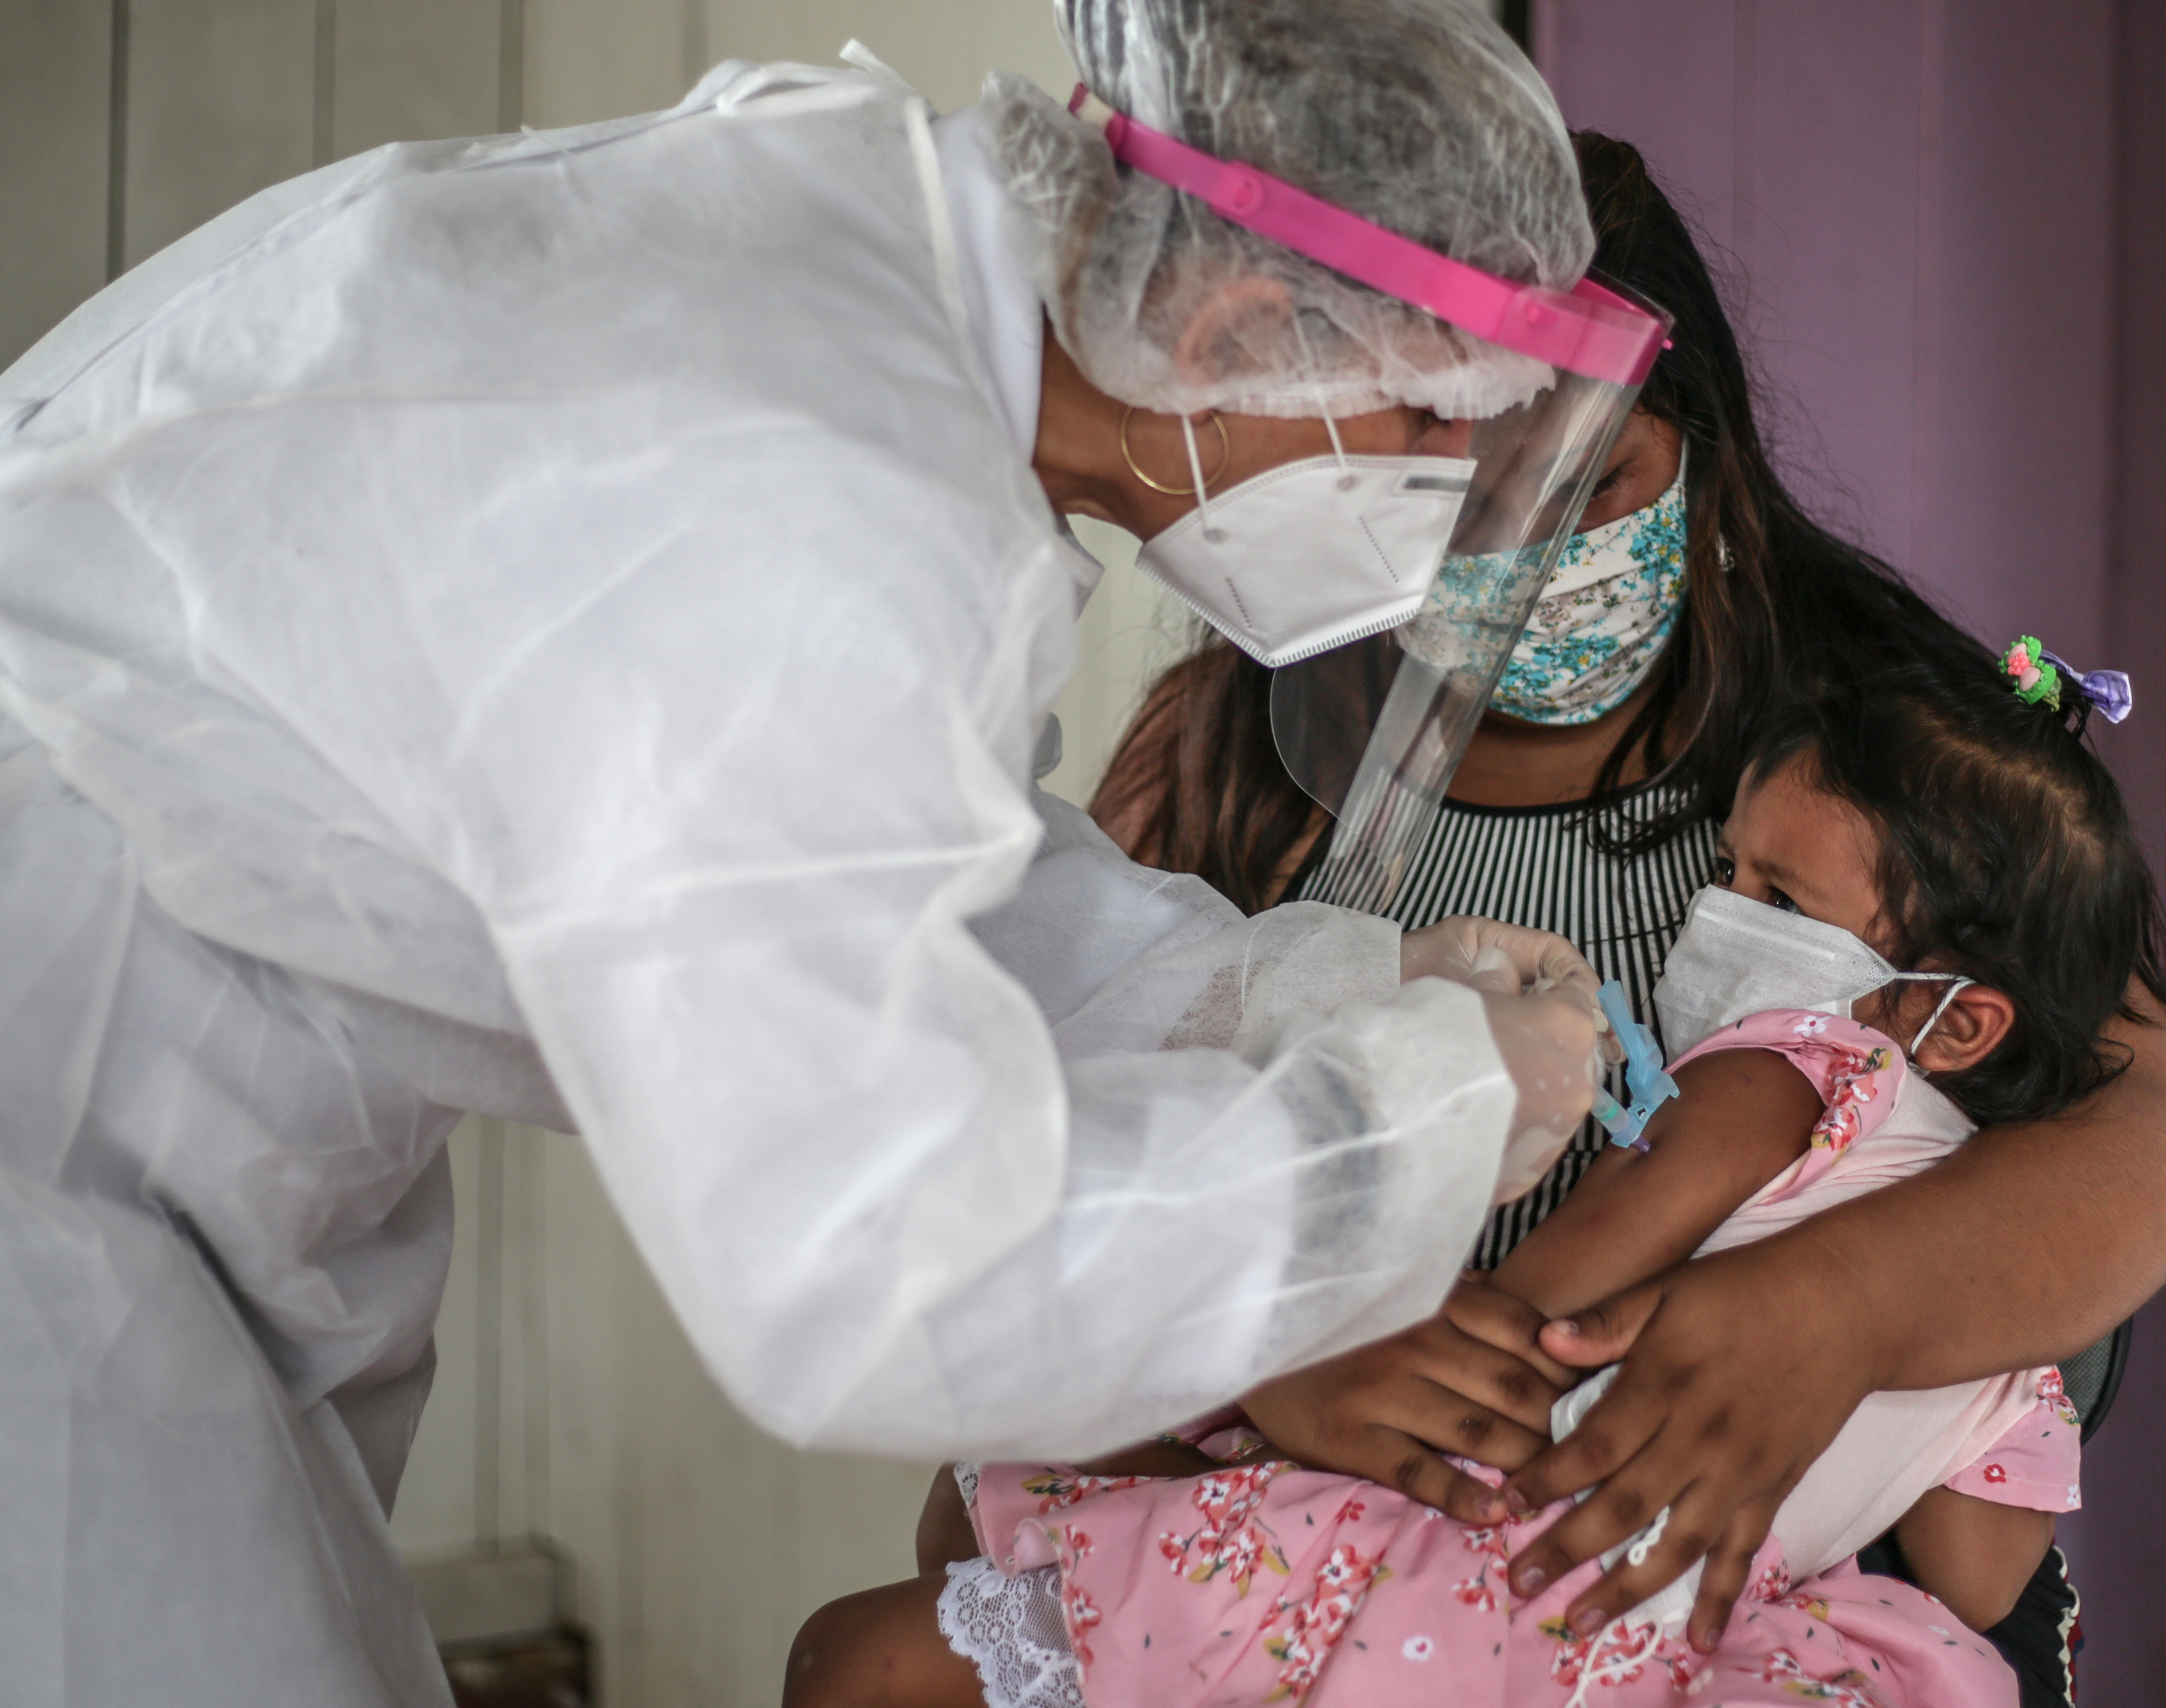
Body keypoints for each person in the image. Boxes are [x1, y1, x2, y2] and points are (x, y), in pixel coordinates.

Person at [0, 5, 1656, 1702]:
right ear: (1234, 329)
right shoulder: (806, 497)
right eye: (1427, 430)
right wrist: (1388, 1130)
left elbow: (874, 872)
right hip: (59, 1131)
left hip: (206, 1103)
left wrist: (1315, 996)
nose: (1447, 495)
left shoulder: (865, 289)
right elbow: (882, 1265)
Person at [1073, 134, 2166, 1703]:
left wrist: (1834, 1307)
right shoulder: (1217, 770)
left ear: (1704, 446)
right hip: (1342, 1590)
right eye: (1442, 497)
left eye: (1584, 481)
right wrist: (1256, 1367)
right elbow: (1040, 1208)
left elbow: (2154, 1156)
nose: (1516, 551)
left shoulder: (1878, 760)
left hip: (1765, 1610)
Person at [782, 634, 2166, 1708]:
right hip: (1644, 1651)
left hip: (1448, 1556)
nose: (1717, 914)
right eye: (1730, 872)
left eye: (1773, 899)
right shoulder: (2011, 1334)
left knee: (859, 1660)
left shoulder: (1783, 1074)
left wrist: (1325, 1351)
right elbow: (1979, 1573)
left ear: (1956, 1011)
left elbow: (1527, 1316)